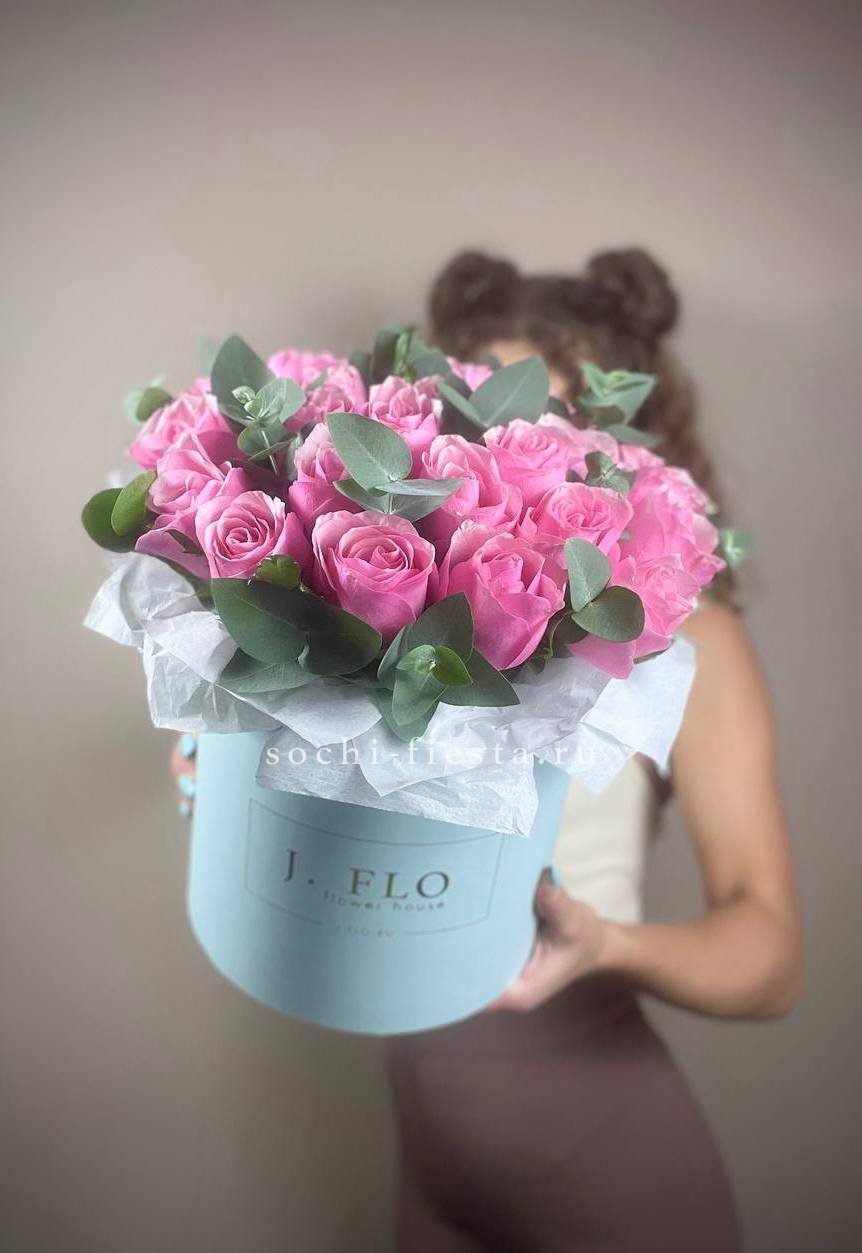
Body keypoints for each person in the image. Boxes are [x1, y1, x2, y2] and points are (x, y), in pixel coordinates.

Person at [173, 248, 802, 1252]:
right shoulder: (385, 608)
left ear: (623, 450)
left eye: (556, 423)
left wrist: (607, 945)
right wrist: (238, 771)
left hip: (595, 1140)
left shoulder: (690, 644)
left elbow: (772, 957)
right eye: (490, 419)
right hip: (430, 1142)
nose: (521, 450)